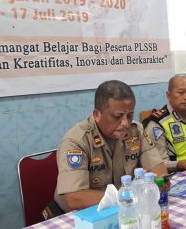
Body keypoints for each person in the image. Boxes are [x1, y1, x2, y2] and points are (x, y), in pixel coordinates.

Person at [53, 80, 167, 213]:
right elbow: (74, 198)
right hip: (82, 214)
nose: (125, 123)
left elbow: (158, 168)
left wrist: (158, 181)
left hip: (124, 207)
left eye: (129, 115)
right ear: (97, 115)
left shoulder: (136, 130)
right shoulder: (76, 141)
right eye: (117, 116)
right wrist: (127, 196)